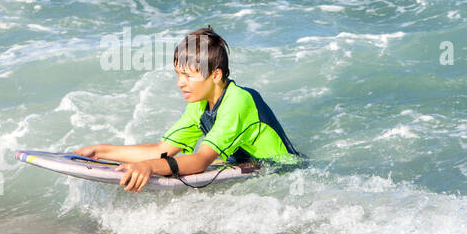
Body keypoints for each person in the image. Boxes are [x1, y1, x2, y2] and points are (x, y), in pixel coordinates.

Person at [74, 26, 299, 191]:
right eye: (178, 74)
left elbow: (201, 160)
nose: (180, 83)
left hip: (283, 179)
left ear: (216, 75)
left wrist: (149, 168)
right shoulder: (200, 104)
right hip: (249, 171)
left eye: (188, 76)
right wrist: (100, 151)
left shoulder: (238, 102)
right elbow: (162, 150)